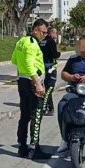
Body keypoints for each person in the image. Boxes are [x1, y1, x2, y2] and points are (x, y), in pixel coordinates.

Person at [11, 19, 50, 159]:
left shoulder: (22, 41)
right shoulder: (33, 44)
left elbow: (14, 60)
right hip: (32, 82)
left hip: (22, 81)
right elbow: (28, 63)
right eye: (43, 32)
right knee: (36, 115)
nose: (45, 35)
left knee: (24, 115)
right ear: (35, 30)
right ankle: (34, 148)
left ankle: (22, 147)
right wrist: (38, 83)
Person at [39, 27, 61, 115]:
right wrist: (59, 53)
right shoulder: (51, 41)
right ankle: (46, 108)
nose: (56, 35)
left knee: (46, 88)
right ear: (51, 33)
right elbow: (54, 54)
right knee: (49, 88)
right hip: (50, 67)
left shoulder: (41, 41)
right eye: (55, 33)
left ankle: (49, 107)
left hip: (42, 66)